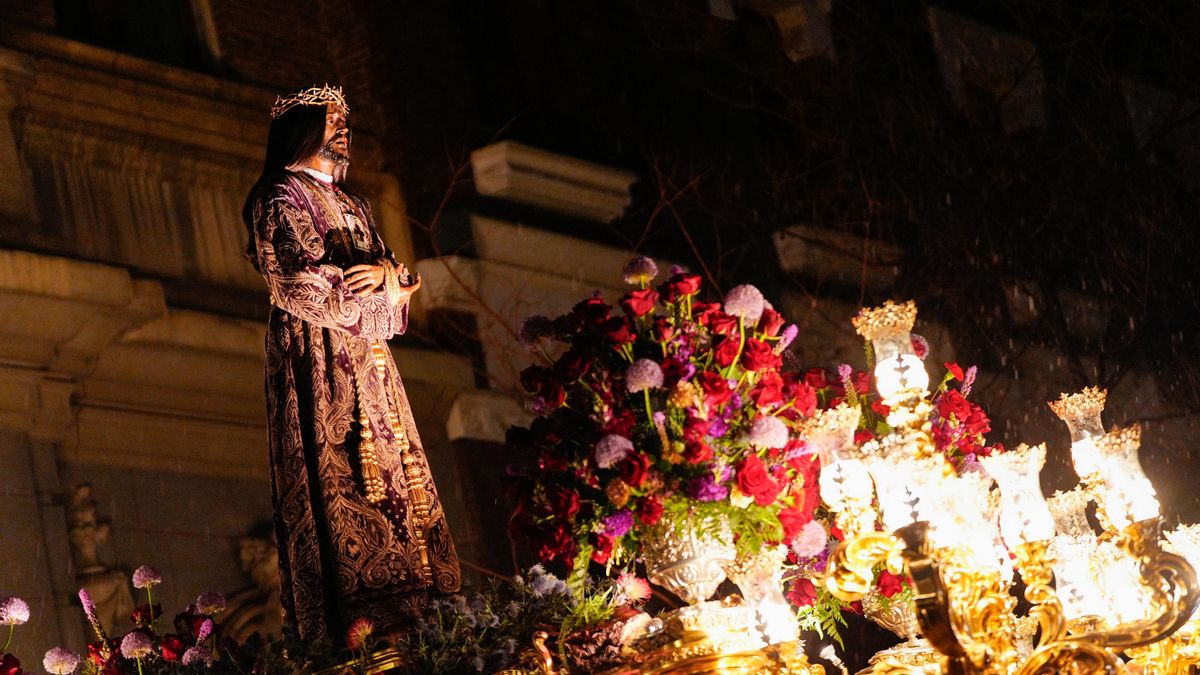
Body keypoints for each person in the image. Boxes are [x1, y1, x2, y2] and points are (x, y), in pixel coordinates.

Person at [242, 84, 460, 643]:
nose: (344, 132)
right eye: (332, 121)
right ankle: (357, 618)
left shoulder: (355, 204)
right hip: (317, 358)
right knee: (336, 472)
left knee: (397, 475)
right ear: (301, 131)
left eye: (346, 122)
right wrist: (378, 290)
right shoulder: (279, 196)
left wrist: (389, 281)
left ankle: (419, 605)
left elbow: (395, 276)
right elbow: (300, 284)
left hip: (373, 364)